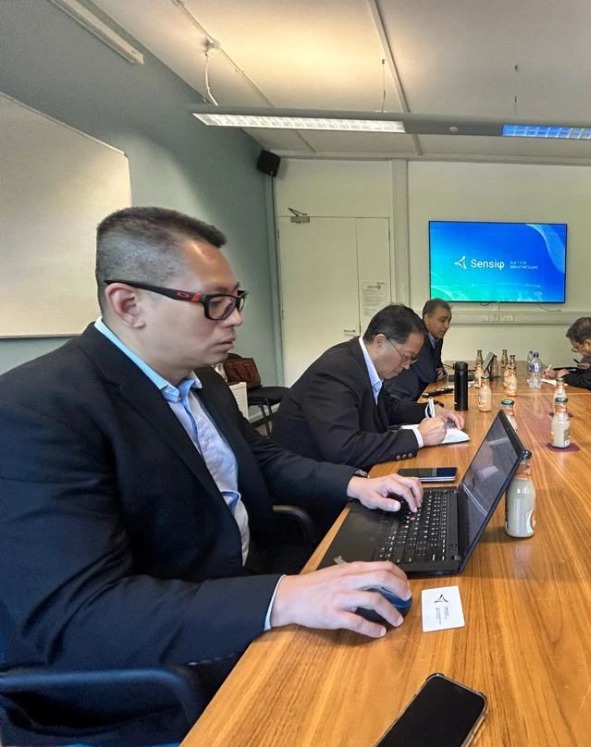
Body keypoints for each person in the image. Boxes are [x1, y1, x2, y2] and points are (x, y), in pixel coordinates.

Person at [0, 208, 423, 744]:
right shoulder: (37, 409)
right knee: (362, 696)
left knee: (402, 619)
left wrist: (355, 484)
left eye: (236, 299)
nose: (235, 319)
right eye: (214, 303)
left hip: (242, 581)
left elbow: (260, 459)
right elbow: (82, 616)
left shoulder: (202, 378)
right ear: (129, 304)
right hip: (154, 665)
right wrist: (283, 599)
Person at [271, 304, 464, 474]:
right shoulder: (335, 372)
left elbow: (388, 407)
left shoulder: (360, 362)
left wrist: (430, 410)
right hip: (314, 483)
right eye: (406, 356)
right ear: (380, 342)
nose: (407, 366)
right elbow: (344, 448)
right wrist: (419, 437)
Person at [383, 298, 451, 401]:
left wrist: (439, 371)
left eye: (449, 321)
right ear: (427, 319)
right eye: (442, 320)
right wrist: (436, 372)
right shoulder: (418, 338)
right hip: (401, 395)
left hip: (419, 393)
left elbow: (438, 365)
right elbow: (430, 375)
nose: (446, 326)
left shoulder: (437, 338)